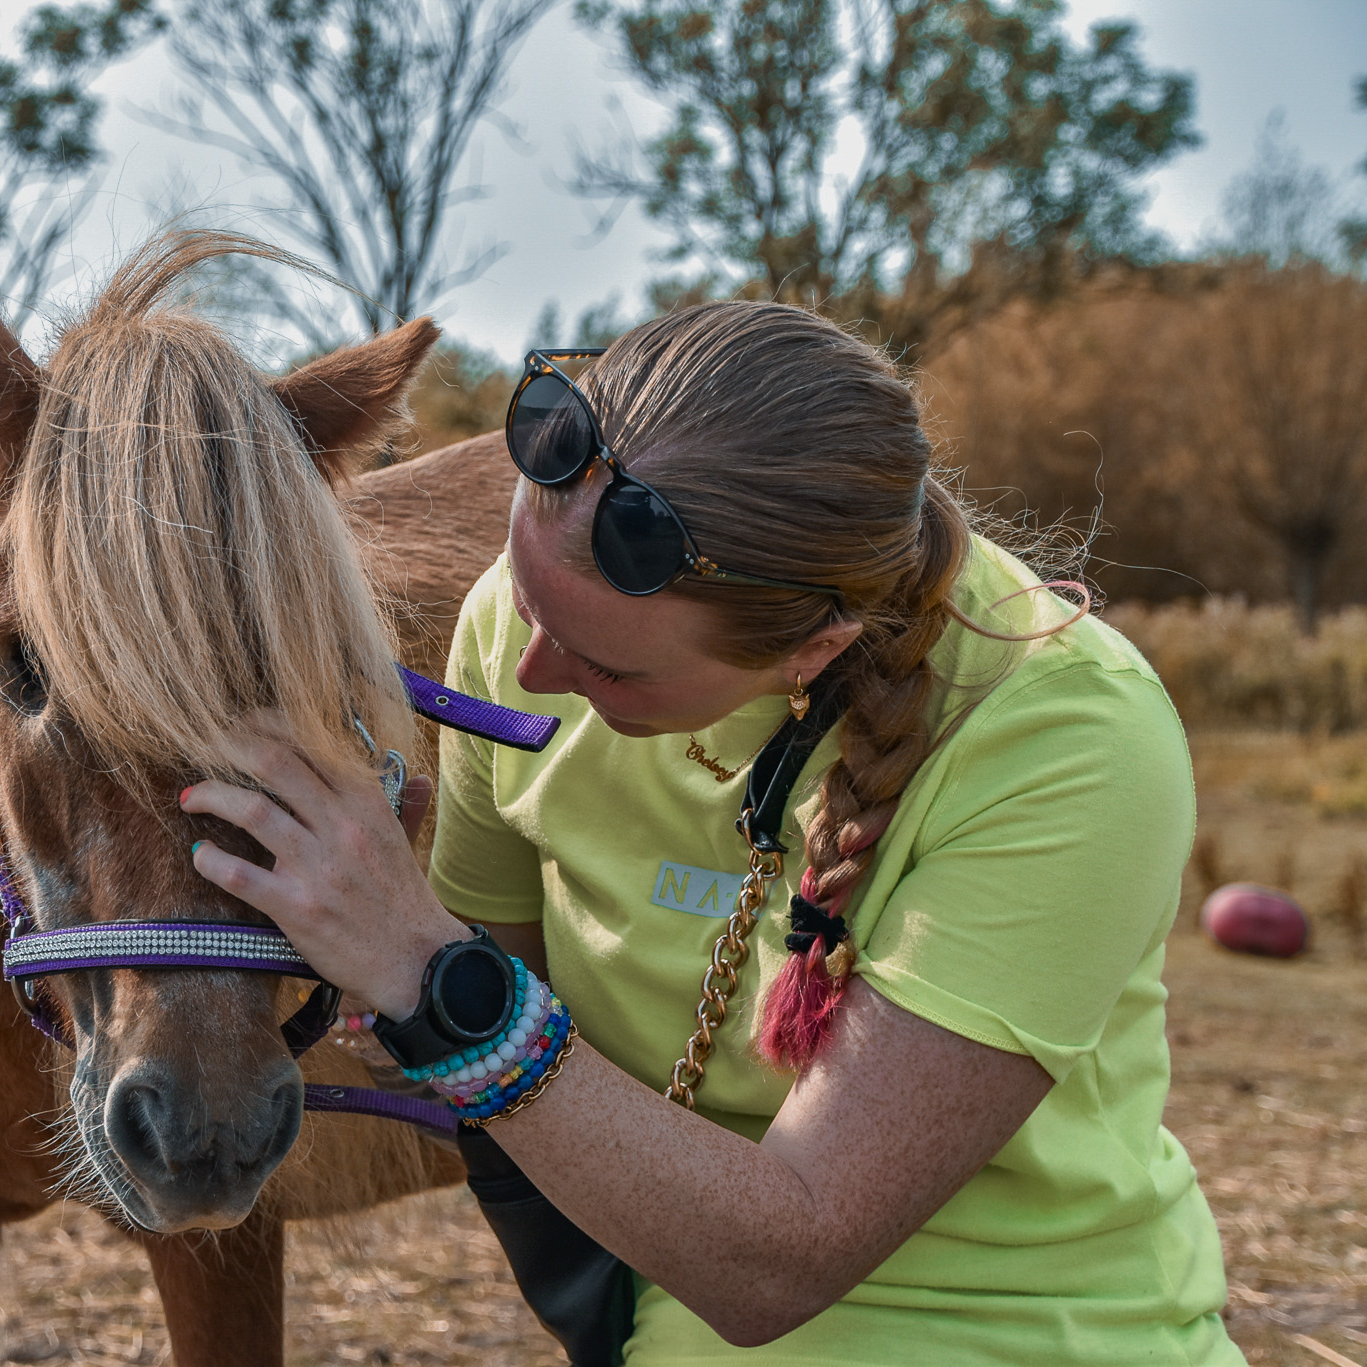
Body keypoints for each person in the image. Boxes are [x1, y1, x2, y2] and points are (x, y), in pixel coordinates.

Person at [180, 302, 1242, 1364]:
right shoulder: (523, 619)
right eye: (526, 605)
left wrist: (433, 980)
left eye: (607, 668)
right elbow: (507, 1074)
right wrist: (372, 973)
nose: (532, 671)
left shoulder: (1066, 736)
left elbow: (779, 1257)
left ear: (810, 649)